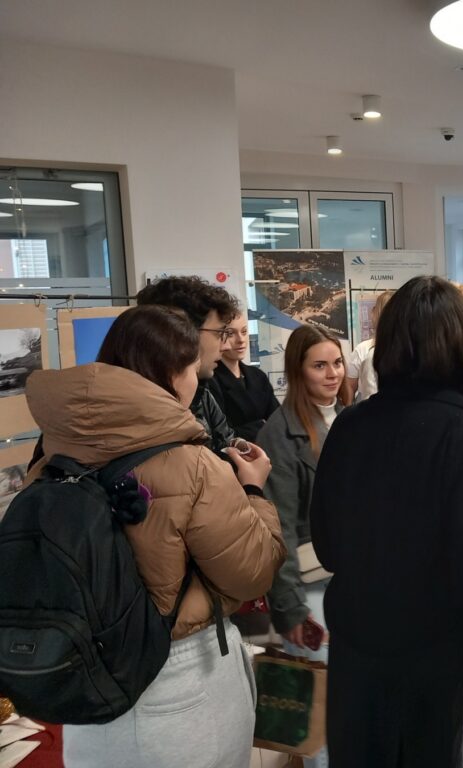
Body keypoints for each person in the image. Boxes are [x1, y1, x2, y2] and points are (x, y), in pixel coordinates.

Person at [24, 305, 285, 768]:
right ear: (172, 373)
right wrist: (252, 491)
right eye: (193, 369)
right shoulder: (191, 462)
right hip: (179, 687)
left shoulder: (52, 448)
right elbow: (252, 573)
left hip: (85, 688)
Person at [310, 276, 463, 768]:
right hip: (441, 666)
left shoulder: (350, 425)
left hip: (359, 655)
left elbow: (327, 546)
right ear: (462, 344)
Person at [257, 325, 343, 768]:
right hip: (309, 588)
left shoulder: (349, 417)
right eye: (319, 365)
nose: (332, 374)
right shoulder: (280, 433)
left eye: (337, 363)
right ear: (297, 371)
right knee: (320, 717)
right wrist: (289, 608)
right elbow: (279, 529)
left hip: (349, 583)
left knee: (347, 707)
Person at [136, 275, 239, 452]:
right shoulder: (139, 409)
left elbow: (226, 441)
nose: (226, 346)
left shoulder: (202, 392)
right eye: (220, 333)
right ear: (181, 333)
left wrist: (238, 448)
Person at [212, 313, 279, 441]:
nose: (241, 339)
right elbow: (222, 434)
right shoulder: (211, 380)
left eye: (244, 332)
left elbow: (278, 422)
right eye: (230, 333)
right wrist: (262, 426)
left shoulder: (258, 375)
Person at [343, 289, 394, 403]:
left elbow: (350, 388)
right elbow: (349, 389)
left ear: (375, 313)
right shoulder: (410, 351)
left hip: (368, 409)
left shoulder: (363, 350)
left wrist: (348, 411)